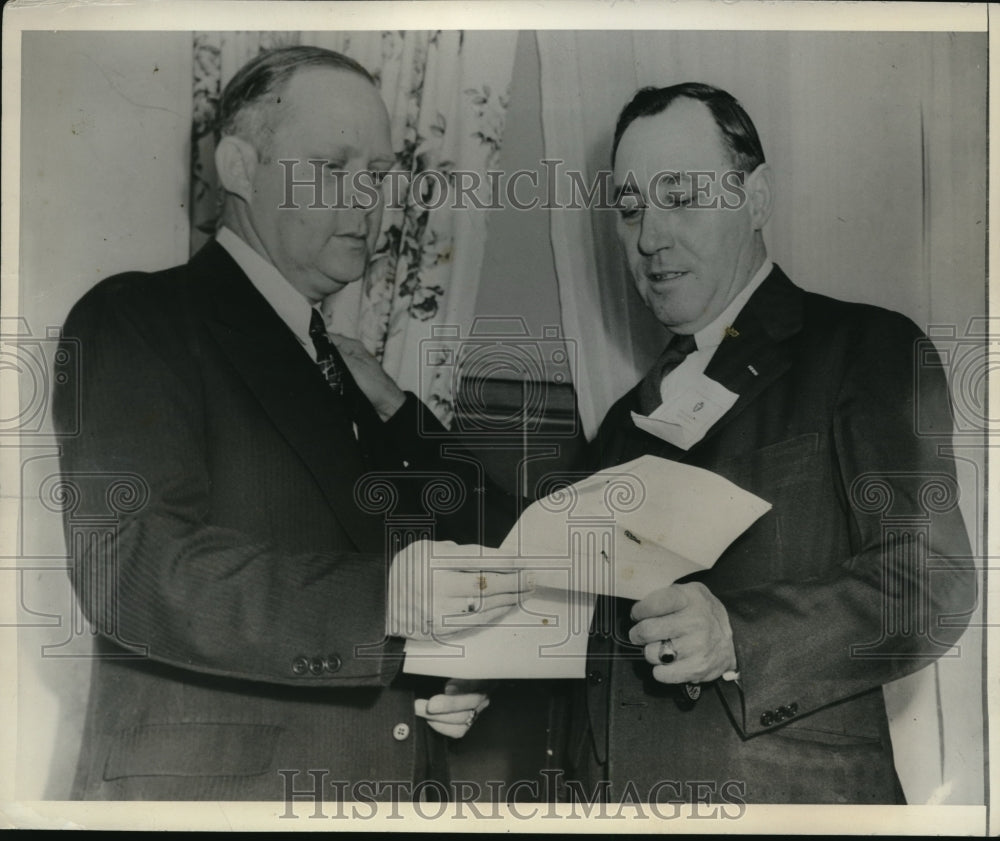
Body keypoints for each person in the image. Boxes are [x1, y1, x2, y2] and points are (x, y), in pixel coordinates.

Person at [52, 46, 526, 801]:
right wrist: (394, 603)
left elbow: (505, 544)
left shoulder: (342, 370)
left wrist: (435, 668)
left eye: (377, 175)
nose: (366, 200)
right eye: (333, 168)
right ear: (239, 168)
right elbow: (129, 567)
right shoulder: (140, 317)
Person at [563, 82, 976, 804]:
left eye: (680, 197)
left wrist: (737, 636)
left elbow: (930, 585)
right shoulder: (620, 426)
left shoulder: (864, 347)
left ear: (755, 198)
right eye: (630, 209)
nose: (650, 237)